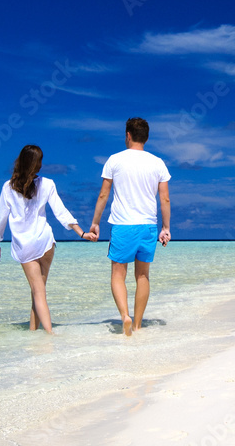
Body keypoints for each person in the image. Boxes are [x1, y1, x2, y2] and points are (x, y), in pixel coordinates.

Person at [0, 144, 89, 334]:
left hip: (25, 246)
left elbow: (1, 218)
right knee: (38, 291)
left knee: (38, 292)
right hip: (45, 243)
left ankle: (50, 336)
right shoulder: (48, 184)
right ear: (36, 164)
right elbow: (62, 213)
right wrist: (82, 233)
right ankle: (33, 333)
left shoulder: (8, 187)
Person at [89, 117, 171, 336]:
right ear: (146, 137)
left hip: (123, 225)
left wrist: (95, 223)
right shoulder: (158, 163)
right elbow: (164, 200)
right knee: (143, 276)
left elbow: (104, 194)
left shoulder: (115, 160)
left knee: (118, 275)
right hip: (148, 226)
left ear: (127, 135)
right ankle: (137, 324)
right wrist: (166, 228)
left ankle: (125, 315)